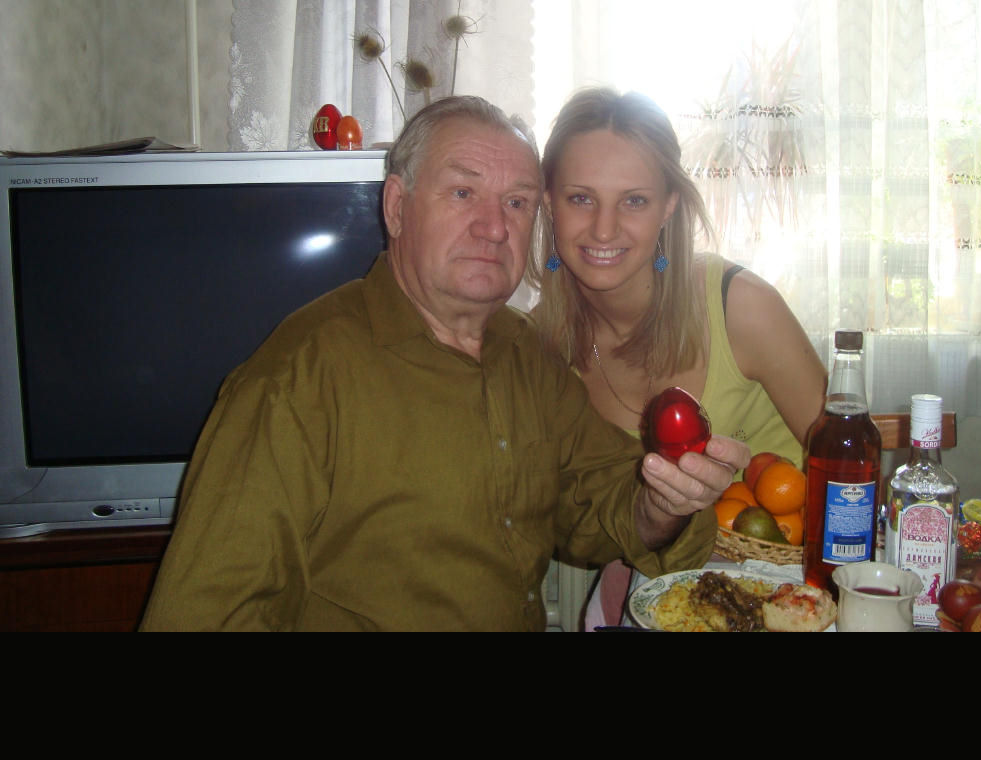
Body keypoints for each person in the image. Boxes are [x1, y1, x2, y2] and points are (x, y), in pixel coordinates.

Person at [140, 95, 749, 631]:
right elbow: (207, 612)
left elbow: (596, 501)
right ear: (397, 207)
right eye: (462, 193)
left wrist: (659, 506)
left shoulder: (527, 354)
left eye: (516, 203)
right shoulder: (297, 381)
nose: (494, 228)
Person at [527, 88, 826, 626]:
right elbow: (575, 522)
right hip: (654, 596)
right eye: (581, 198)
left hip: (790, 597)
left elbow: (853, 470)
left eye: (634, 201)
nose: (603, 229)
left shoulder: (740, 307)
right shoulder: (539, 348)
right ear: (549, 202)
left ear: (669, 206)